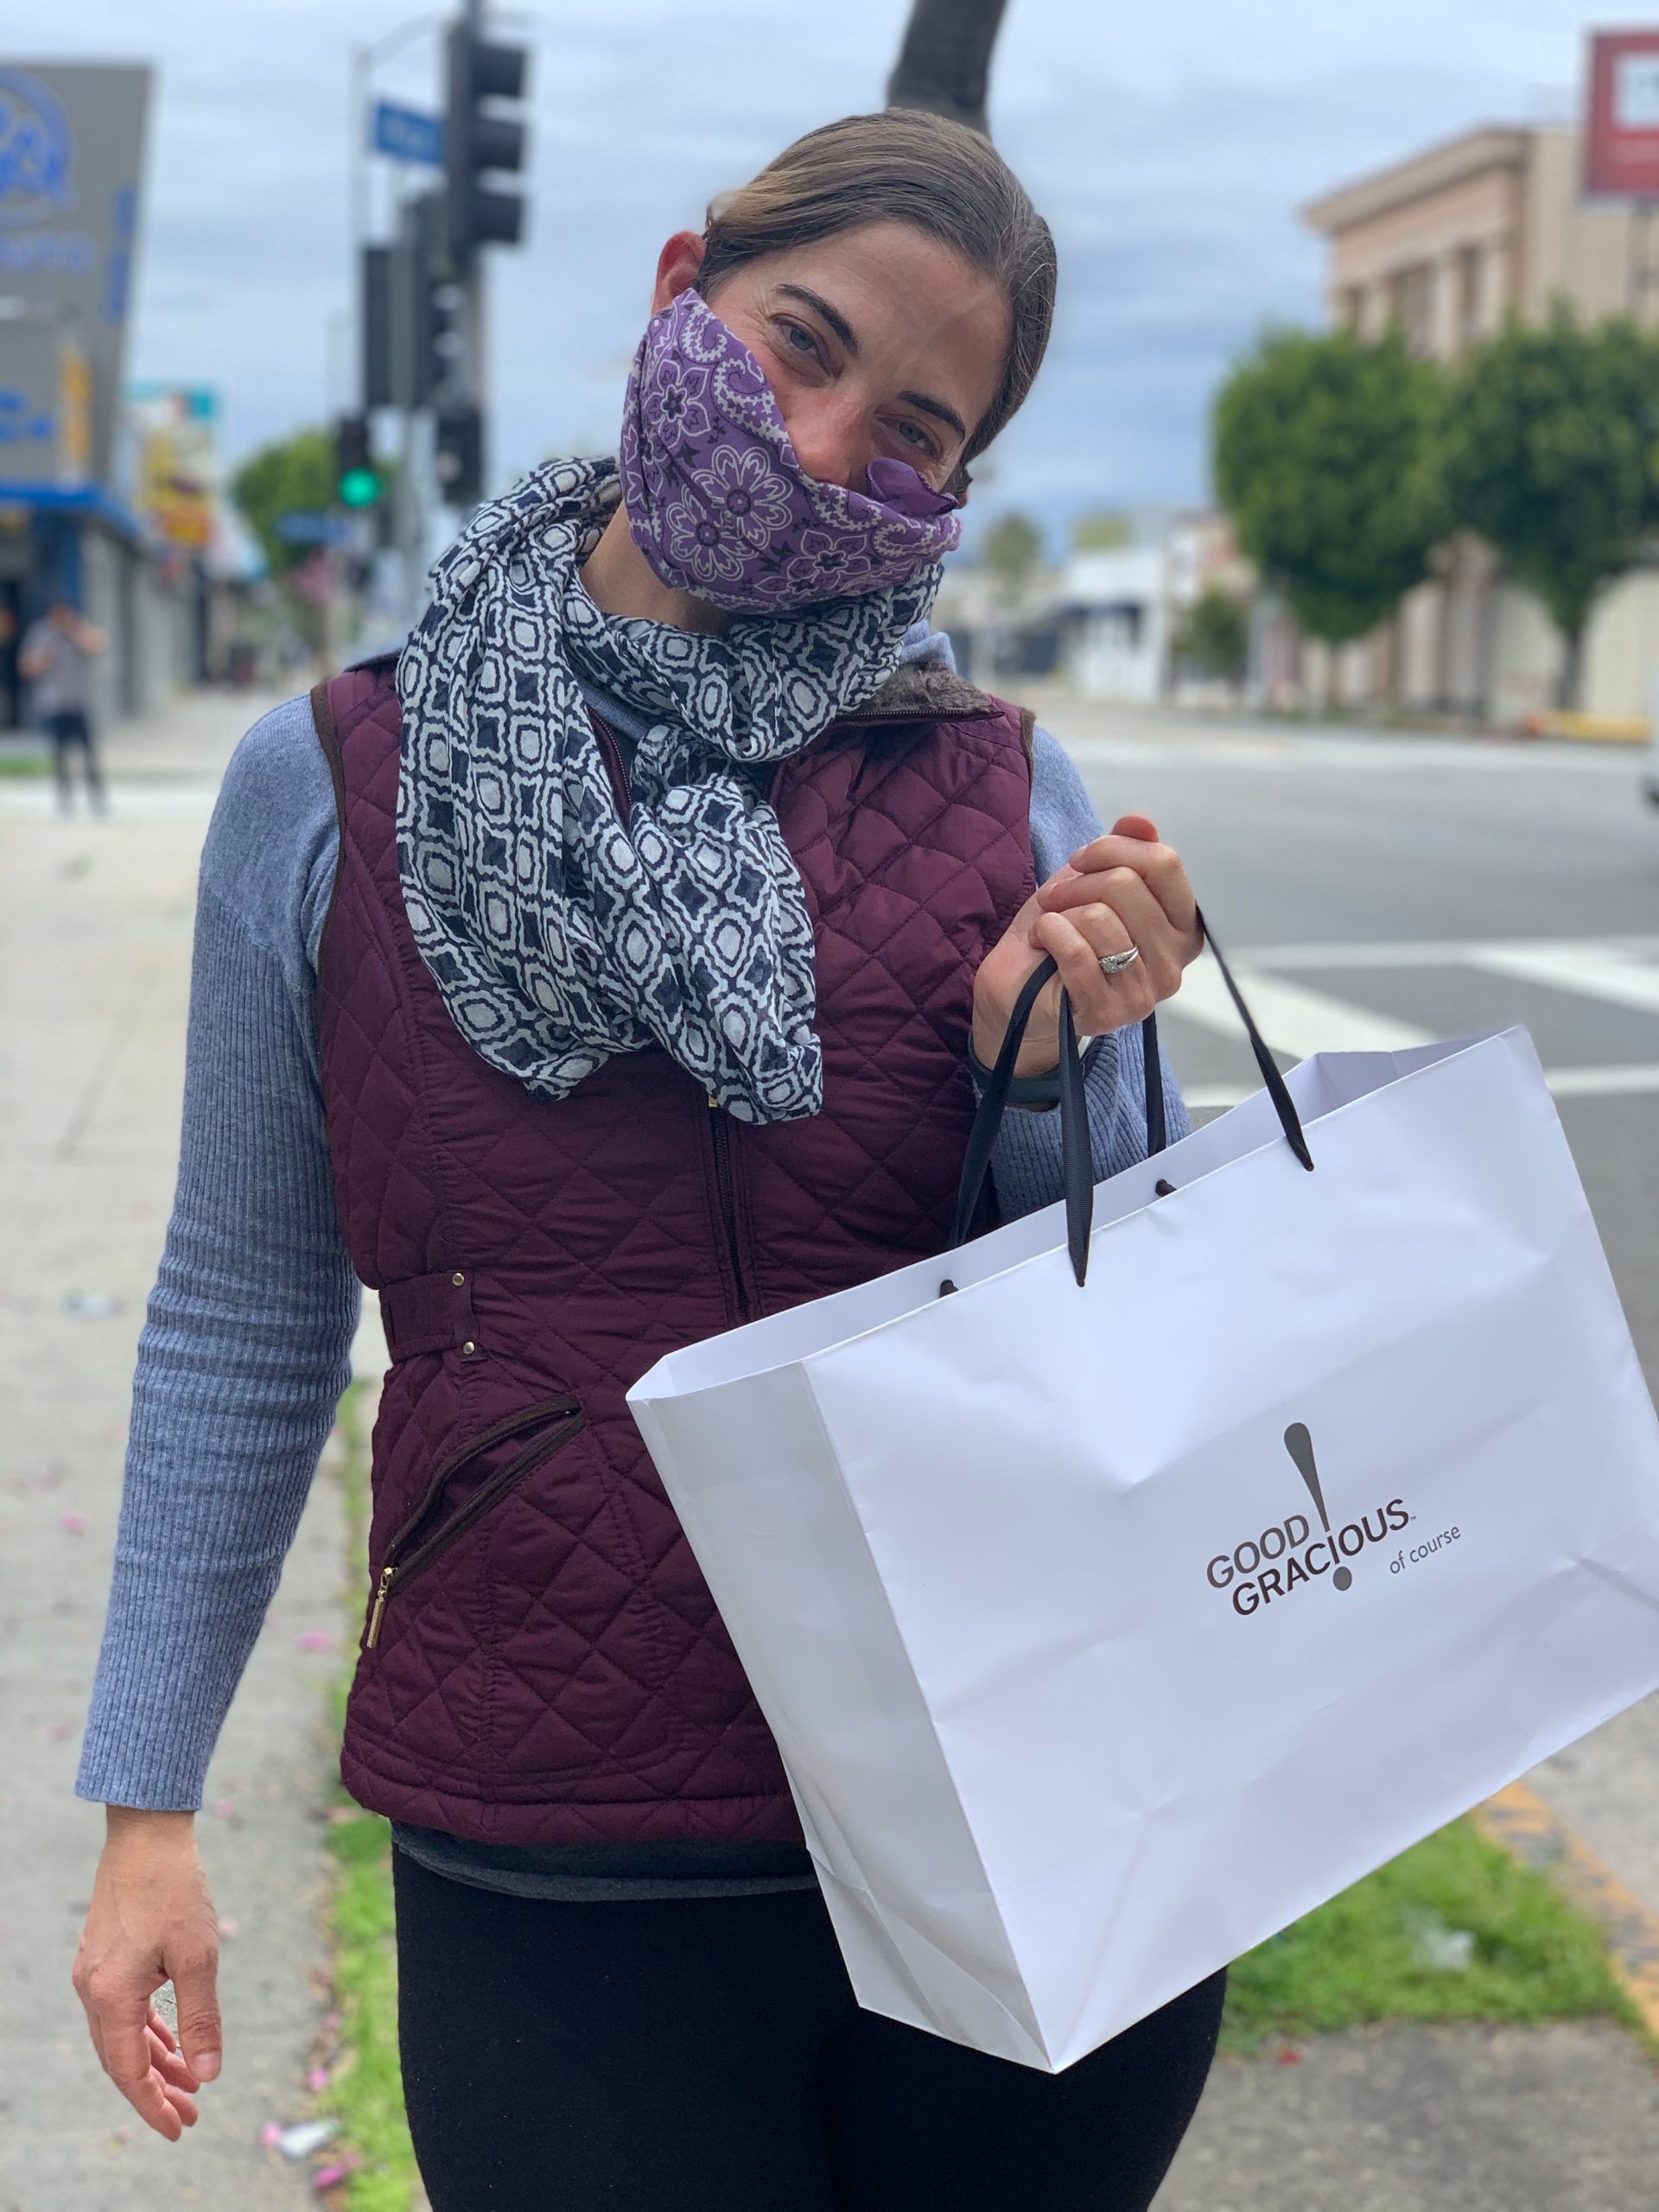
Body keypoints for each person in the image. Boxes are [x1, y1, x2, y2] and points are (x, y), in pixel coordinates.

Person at [71, 111, 1219, 2210]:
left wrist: (1042, 1069)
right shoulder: (328, 777)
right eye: (797, 341)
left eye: (908, 426)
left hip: (1017, 1798)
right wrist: (147, 1804)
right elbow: (244, 1306)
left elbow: (1119, 1301)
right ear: (683, 280)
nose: (816, 438)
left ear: (949, 494)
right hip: (557, 1828)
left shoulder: (1004, 779)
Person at [20, 596, 108, 814]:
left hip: (77, 702)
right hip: (53, 704)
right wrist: (42, 659)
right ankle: (65, 798)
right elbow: (26, 666)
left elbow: (97, 647)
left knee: (89, 754)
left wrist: (73, 632)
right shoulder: (40, 633)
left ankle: (97, 798)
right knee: (59, 755)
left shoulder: (78, 628)